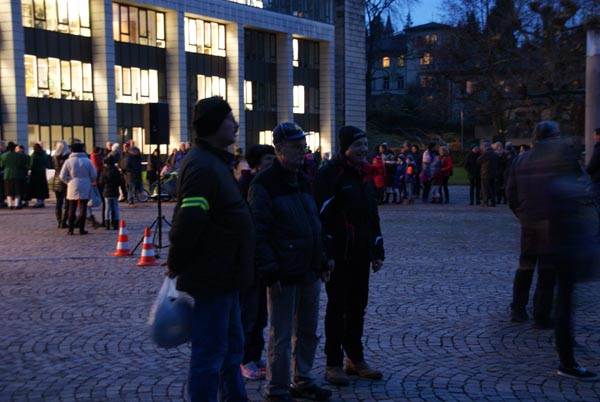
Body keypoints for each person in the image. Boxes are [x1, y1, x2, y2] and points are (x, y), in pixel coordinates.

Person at [165, 96, 254, 402]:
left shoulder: (214, 162)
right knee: (210, 355)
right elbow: (188, 221)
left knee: (231, 350)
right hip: (211, 276)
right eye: (231, 119)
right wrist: (175, 263)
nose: (236, 124)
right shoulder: (203, 166)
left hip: (225, 276)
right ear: (215, 125)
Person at [507, 120, 598, 381]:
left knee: (525, 266)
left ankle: (518, 309)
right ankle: (541, 316)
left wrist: (523, 216)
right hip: (554, 229)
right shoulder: (559, 158)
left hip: (530, 223)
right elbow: (578, 189)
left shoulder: (520, 160)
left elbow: (510, 192)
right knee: (546, 275)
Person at [248, 122, 332, 402]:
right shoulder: (264, 183)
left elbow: (313, 223)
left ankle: (303, 379)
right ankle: (277, 389)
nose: (302, 150)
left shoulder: (303, 178)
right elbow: (258, 231)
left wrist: (322, 258)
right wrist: (269, 270)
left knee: (307, 331)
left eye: (302, 144)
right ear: (279, 148)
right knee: (281, 335)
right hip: (283, 272)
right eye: (295, 145)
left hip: (308, 269)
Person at [314, 126, 385, 387]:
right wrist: (326, 253)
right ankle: (333, 362)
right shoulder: (330, 175)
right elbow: (320, 216)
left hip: (360, 255)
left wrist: (377, 249)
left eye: (366, 144)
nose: (364, 149)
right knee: (337, 308)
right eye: (358, 145)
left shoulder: (365, 175)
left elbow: (371, 215)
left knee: (358, 308)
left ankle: (355, 359)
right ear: (345, 148)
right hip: (339, 255)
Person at [238, 144, 276, 381]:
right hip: (247, 259)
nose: (272, 163)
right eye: (268, 159)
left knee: (261, 312)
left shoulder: (269, 184)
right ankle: (244, 359)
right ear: (256, 163)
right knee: (248, 312)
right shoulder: (246, 186)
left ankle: (256, 353)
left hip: (264, 258)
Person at [59, 142, 97, 235]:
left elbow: (62, 176)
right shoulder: (87, 161)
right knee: (83, 207)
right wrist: (89, 180)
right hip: (85, 184)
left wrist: (69, 181)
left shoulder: (68, 161)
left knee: (72, 207)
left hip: (72, 184)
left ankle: (71, 229)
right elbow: (94, 175)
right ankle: (81, 228)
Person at [0, 142, 29, 209]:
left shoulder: (4, 155)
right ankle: (17, 204)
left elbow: (1, 165)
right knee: (17, 191)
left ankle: (10, 205)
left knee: (8, 191)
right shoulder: (18, 156)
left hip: (7, 174)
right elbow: (22, 164)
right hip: (17, 174)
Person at [99, 156, 124, 230]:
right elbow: (120, 181)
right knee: (115, 207)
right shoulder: (116, 171)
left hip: (106, 191)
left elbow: (101, 182)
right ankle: (115, 223)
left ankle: (107, 223)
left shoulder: (104, 171)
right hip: (115, 190)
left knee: (107, 208)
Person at [52, 140, 70, 228]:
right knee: (67, 203)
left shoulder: (54, 157)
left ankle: (59, 221)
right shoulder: (68, 157)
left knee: (58, 203)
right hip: (66, 181)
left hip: (56, 181)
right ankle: (64, 221)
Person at [586, 128, 600, 235]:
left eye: (594, 135)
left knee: (590, 202)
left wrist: (589, 170)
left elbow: (592, 165)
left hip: (597, 180)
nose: (593, 137)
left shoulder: (598, 148)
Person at [121, 140, 142, 208]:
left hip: (135, 174)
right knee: (131, 188)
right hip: (131, 175)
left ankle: (132, 199)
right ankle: (130, 201)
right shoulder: (129, 157)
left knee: (135, 188)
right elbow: (125, 166)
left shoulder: (136, 158)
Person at [28, 143, 50, 208]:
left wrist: (29, 168)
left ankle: (38, 202)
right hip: (43, 173)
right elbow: (47, 163)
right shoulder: (44, 154)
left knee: (37, 188)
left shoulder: (34, 155)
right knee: (42, 187)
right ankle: (42, 202)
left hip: (35, 173)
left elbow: (31, 164)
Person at [477, 140, 498, 207]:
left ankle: (485, 202)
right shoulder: (494, 153)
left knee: (485, 189)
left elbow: (478, 161)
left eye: (482, 147)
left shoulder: (485, 153)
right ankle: (493, 202)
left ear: (485, 147)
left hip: (485, 173)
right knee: (492, 189)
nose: (482, 148)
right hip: (493, 173)